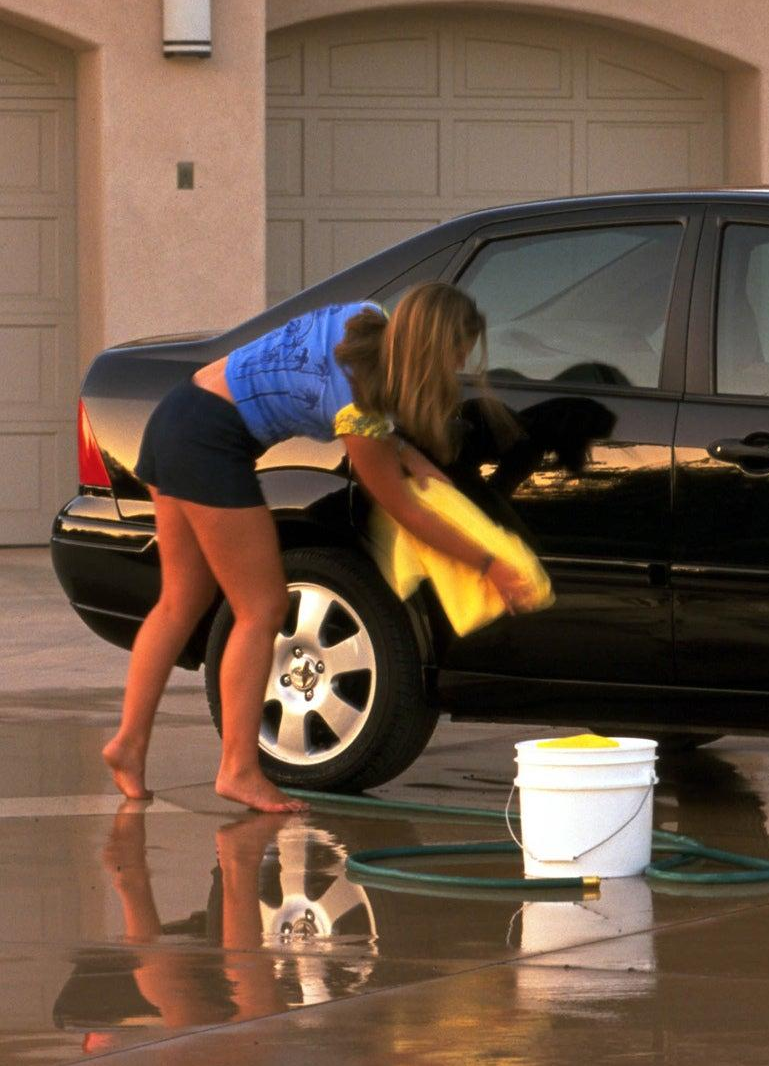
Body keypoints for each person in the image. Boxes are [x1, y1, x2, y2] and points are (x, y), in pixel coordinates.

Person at [102, 283, 540, 813]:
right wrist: (490, 565)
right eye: (456, 356)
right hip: (210, 443)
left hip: (176, 415)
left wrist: (405, 453)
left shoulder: (362, 320)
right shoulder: (359, 401)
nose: (456, 369)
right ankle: (238, 769)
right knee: (260, 609)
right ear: (432, 348)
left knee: (178, 602)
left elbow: (370, 433)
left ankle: (127, 745)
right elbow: (403, 509)